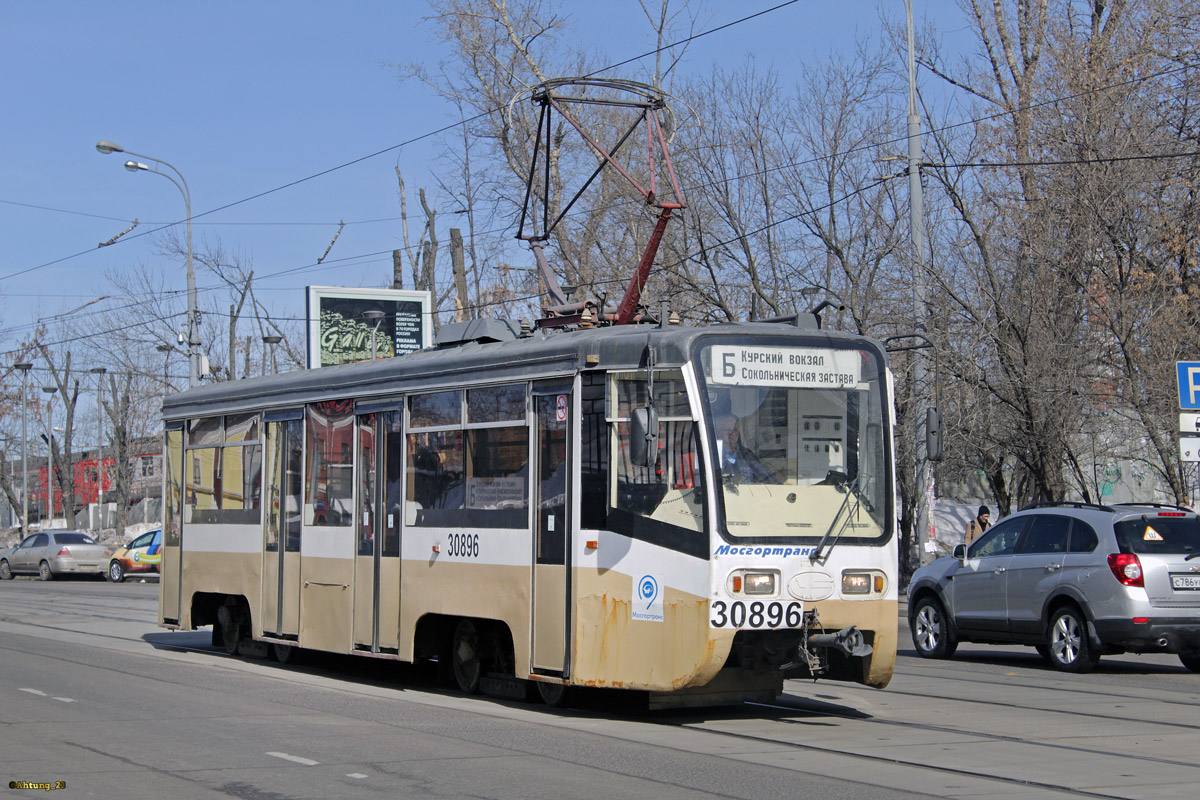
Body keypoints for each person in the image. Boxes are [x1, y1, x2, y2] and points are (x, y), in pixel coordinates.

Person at [715, 414, 778, 484]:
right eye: (728, 430)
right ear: (718, 432)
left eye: (735, 430)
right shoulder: (712, 456)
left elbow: (767, 478)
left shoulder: (747, 455)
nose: (732, 433)